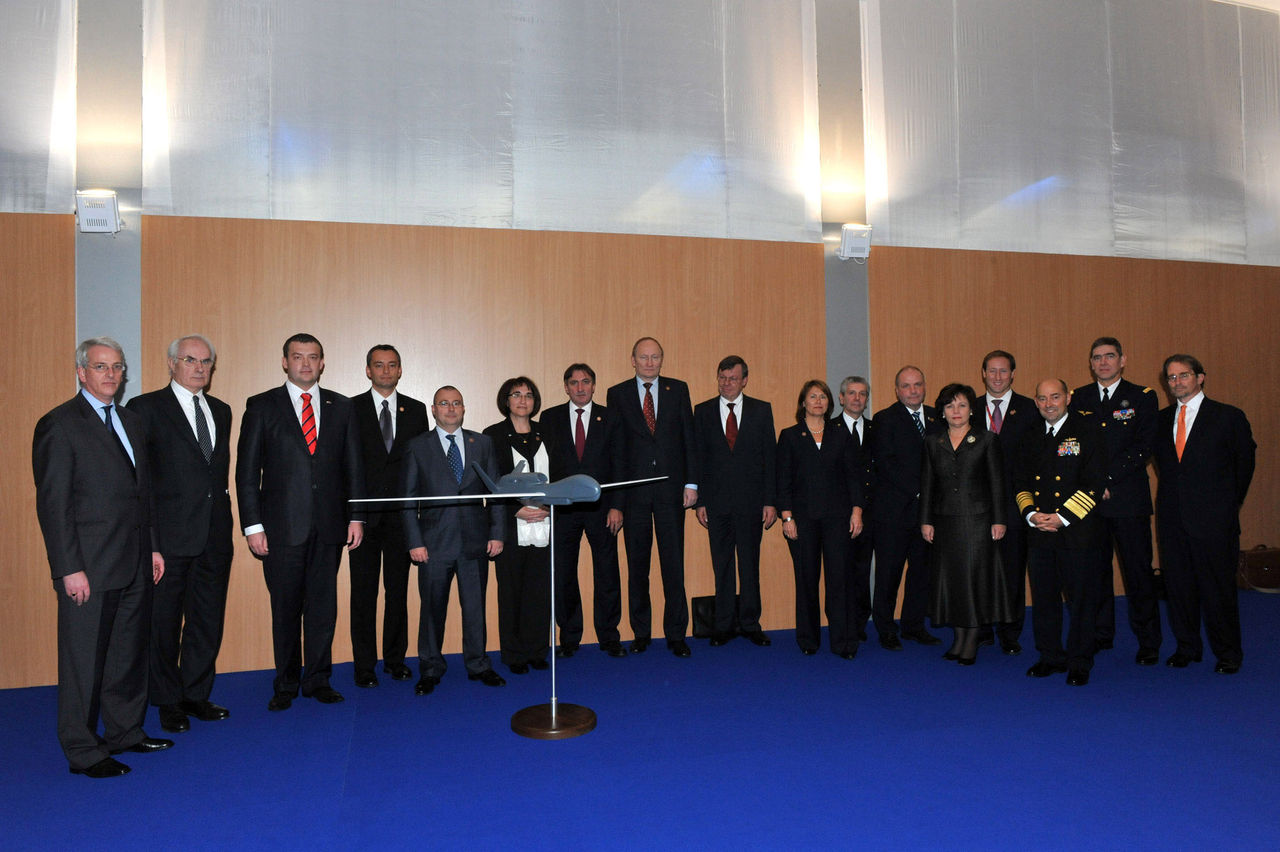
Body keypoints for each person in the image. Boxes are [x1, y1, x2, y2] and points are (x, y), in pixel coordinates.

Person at [33, 337, 171, 778]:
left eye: (117, 367)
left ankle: (125, 732)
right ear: (81, 373)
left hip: (133, 561)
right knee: (83, 663)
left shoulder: (131, 421)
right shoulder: (59, 424)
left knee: (127, 654)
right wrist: (68, 568)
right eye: (100, 367)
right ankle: (82, 749)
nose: (111, 374)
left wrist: (151, 545)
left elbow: (141, 494)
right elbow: (54, 506)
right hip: (87, 568)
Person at [235, 333, 365, 711]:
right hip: (280, 529)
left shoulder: (342, 406)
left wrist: (356, 516)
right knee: (286, 608)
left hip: (330, 525)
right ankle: (286, 683)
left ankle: (318, 680)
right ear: (284, 362)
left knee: (323, 608)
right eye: (297, 357)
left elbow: (353, 467)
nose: (305, 364)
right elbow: (247, 473)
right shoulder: (261, 406)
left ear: (322, 363)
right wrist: (252, 526)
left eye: (313, 358)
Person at [127, 334, 234, 734]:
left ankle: (195, 694)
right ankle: (168, 700)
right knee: (164, 623)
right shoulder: (145, 408)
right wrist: (149, 540)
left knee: (207, 619)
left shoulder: (221, 411)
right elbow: (141, 481)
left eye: (206, 361)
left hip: (214, 535)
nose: (199, 367)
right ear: (172, 363)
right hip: (168, 539)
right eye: (190, 360)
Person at [1152, 355, 1255, 674]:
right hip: (1172, 520)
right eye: (1171, 378)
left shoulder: (1227, 416)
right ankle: (1187, 647)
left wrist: (1226, 506)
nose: (1177, 382)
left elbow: (1245, 465)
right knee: (1179, 588)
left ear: (1200, 377)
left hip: (1214, 522)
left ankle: (1228, 653)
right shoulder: (1160, 419)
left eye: (1184, 375)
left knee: (1218, 590)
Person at [401, 386, 506, 693]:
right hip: (433, 543)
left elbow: (496, 492)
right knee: (432, 609)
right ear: (433, 410)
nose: (450, 408)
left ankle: (478, 664)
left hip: (475, 541)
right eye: (444, 403)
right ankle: (431, 668)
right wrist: (414, 541)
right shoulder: (418, 446)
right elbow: (407, 499)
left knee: (475, 608)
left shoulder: (483, 443)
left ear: (464, 408)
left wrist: (497, 533)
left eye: (456, 403)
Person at [605, 337, 699, 658]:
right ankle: (641, 632)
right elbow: (616, 450)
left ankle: (676, 634)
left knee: (674, 565)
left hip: (672, 491)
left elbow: (689, 437)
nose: (649, 362)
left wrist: (692, 484)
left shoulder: (678, 389)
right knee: (638, 566)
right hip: (635, 495)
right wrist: (617, 498)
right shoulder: (617, 395)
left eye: (655, 357)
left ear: (662, 360)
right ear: (632, 360)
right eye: (643, 357)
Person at [1070, 337, 1161, 664]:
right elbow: (1073, 446)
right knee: (1094, 573)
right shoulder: (1078, 397)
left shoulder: (1143, 397)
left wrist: (1106, 479)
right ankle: (1100, 633)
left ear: (1123, 360)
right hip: (1090, 505)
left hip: (1128, 501)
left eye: (1110, 356)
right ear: (1090, 363)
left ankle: (1149, 640)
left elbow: (1144, 446)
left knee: (1138, 572)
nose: (1103, 362)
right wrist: (1092, 483)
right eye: (1097, 358)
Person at [1016, 379, 1110, 686]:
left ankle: (1080, 660)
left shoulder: (1088, 431)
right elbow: (1020, 481)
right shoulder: (1029, 435)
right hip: (1040, 531)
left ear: (1068, 397)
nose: (1048, 403)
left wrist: (1062, 516)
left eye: (1055, 397)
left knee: (1081, 599)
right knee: (1044, 598)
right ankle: (1050, 655)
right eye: (1042, 398)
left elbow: (1094, 483)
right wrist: (1030, 514)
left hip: (1077, 531)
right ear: (1035, 401)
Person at [348, 345, 429, 688]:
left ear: (400, 370)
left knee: (397, 593)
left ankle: (395, 660)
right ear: (368, 370)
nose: (385, 371)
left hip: (401, 520)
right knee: (363, 594)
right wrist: (352, 514)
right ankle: (364, 666)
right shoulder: (349, 409)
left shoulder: (417, 410)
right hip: (363, 519)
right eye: (378, 365)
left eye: (391, 365)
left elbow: (421, 466)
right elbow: (345, 464)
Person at [920, 383, 1011, 665]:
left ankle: (971, 639)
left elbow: (997, 483)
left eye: (961, 405)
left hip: (978, 521)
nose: (956, 411)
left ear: (971, 409)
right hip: (945, 522)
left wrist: (999, 519)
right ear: (942, 412)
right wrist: (926, 521)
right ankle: (959, 637)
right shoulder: (933, 442)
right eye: (949, 406)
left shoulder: (986, 439)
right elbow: (928, 484)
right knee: (952, 581)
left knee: (973, 581)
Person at [541, 363, 626, 657]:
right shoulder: (549, 418)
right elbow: (545, 466)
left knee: (607, 573)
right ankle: (569, 638)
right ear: (566, 387)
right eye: (574, 383)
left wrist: (617, 505)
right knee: (563, 573)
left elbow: (619, 463)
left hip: (603, 509)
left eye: (586, 382)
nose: (580, 388)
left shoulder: (611, 417)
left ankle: (609, 636)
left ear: (594, 385)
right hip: (563, 508)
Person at [776, 380, 864, 658]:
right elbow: (783, 481)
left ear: (830, 403)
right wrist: (786, 516)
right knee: (806, 580)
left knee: (840, 581)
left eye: (823, 397)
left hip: (838, 519)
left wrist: (857, 511)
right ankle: (808, 640)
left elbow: (854, 477)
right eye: (812, 396)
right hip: (802, 521)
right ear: (803, 402)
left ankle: (844, 642)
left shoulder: (841, 435)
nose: (818, 401)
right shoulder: (790, 436)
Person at [694, 356, 778, 646]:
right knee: (723, 565)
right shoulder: (702, 411)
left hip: (752, 503)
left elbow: (770, 458)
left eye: (733, 378)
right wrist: (700, 501)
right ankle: (723, 625)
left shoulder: (761, 410)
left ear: (744, 380)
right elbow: (699, 459)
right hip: (716, 504)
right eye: (722, 377)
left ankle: (751, 623)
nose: (727, 383)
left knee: (750, 565)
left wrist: (770, 501)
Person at [483, 377, 552, 675]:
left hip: (546, 522)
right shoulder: (492, 436)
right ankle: (513, 654)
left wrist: (548, 507)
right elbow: (488, 483)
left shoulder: (547, 432)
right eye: (516, 395)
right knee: (511, 591)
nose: (523, 400)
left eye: (528, 395)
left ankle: (537, 650)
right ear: (506, 400)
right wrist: (515, 509)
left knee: (539, 590)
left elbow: (560, 475)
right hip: (510, 526)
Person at [870, 366, 942, 649]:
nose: (913, 391)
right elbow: (886, 465)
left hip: (928, 515)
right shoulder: (884, 419)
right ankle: (886, 628)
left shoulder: (938, 416)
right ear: (897, 390)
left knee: (922, 573)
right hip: (894, 513)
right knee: (889, 574)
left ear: (924, 387)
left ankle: (914, 626)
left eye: (917, 385)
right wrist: (921, 490)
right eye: (906, 386)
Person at [973, 350, 1037, 655]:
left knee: (1012, 569)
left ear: (1012, 374)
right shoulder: (968, 408)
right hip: (976, 506)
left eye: (1003, 371)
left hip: (1015, 503)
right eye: (992, 371)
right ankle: (983, 627)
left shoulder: (1030, 409)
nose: (997, 377)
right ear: (983, 374)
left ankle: (1010, 632)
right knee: (980, 569)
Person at [830, 376, 874, 644]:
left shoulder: (876, 428)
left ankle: (859, 623)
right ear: (841, 398)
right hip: (835, 513)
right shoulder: (828, 428)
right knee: (839, 572)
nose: (857, 398)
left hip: (869, 512)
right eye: (852, 393)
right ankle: (840, 623)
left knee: (862, 569)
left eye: (863, 394)